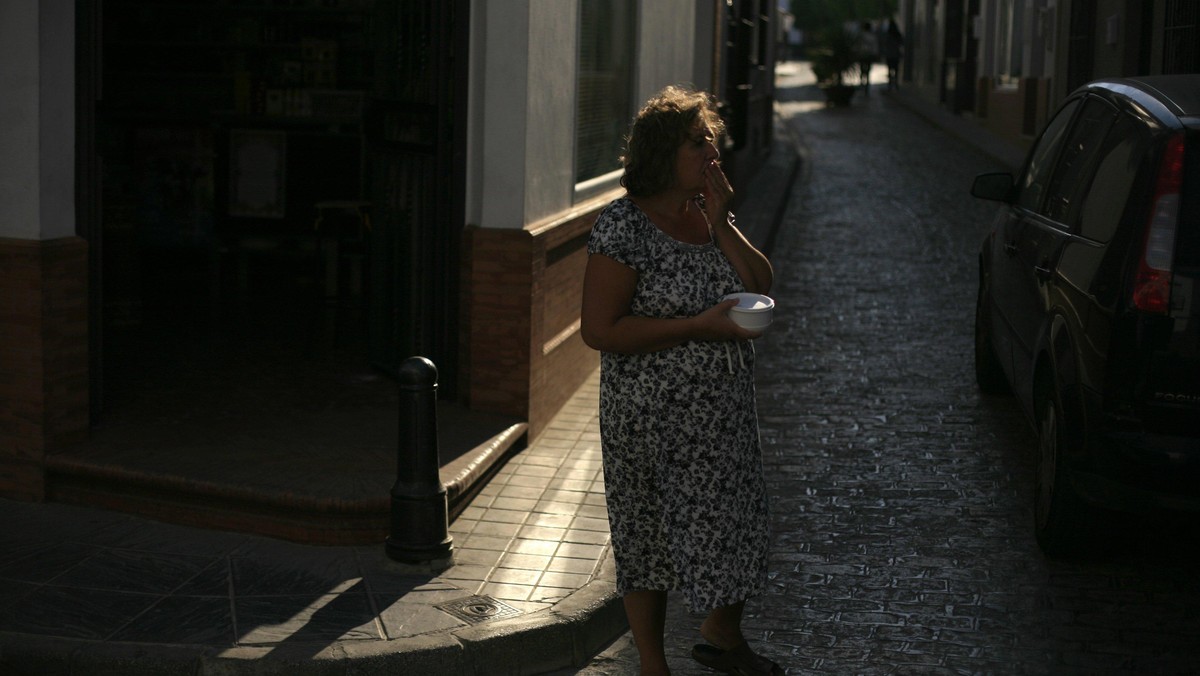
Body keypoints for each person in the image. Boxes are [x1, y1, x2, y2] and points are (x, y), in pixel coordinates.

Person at [580, 85, 780, 676]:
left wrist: (723, 225)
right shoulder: (623, 227)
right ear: (664, 152)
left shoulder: (706, 213)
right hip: (649, 418)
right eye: (699, 144)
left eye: (714, 142)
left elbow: (762, 284)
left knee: (738, 523)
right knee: (648, 539)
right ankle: (651, 663)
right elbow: (600, 329)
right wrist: (697, 326)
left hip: (722, 418)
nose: (712, 154)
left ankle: (722, 635)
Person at [857, 20, 878, 93]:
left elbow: (858, 46)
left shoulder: (861, 36)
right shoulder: (872, 36)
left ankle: (862, 83)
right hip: (868, 55)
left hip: (863, 54)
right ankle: (866, 84)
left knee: (862, 69)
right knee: (867, 70)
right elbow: (874, 47)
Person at [883, 18, 905, 90]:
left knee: (890, 69)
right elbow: (901, 43)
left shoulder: (888, 35)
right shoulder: (897, 34)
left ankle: (890, 84)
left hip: (889, 54)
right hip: (896, 54)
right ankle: (895, 83)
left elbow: (885, 44)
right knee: (896, 70)